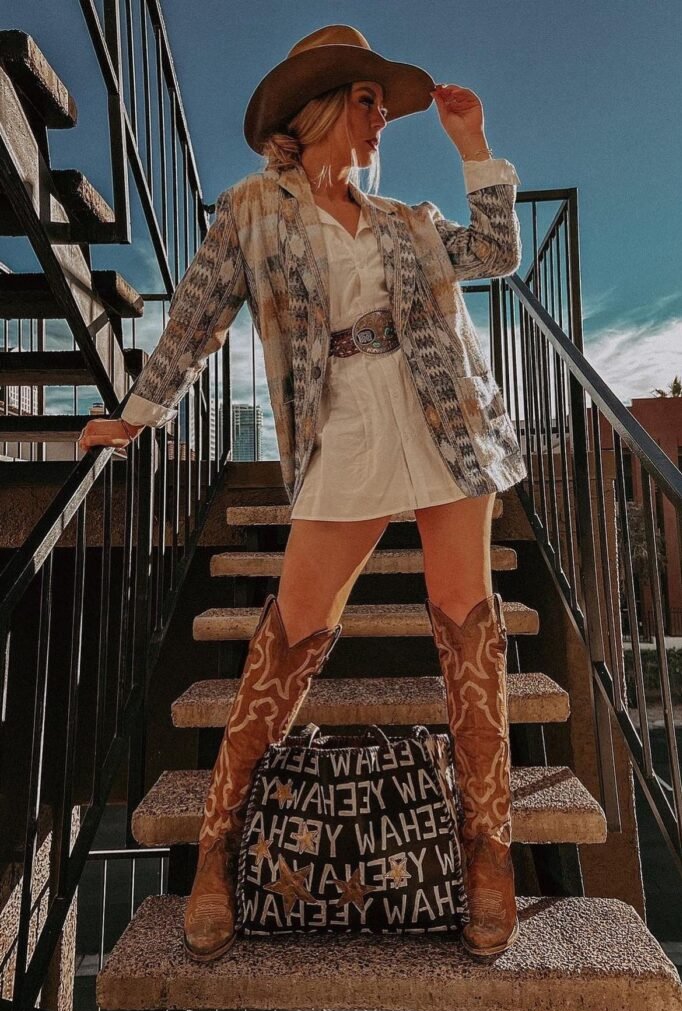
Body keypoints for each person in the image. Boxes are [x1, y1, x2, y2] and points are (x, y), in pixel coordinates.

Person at [78, 24, 527, 962]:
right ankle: (218, 845)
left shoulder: (406, 217)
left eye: (381, 104)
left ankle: (489, 848)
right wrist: (139, 414)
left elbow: (493, 252)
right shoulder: (252, 210)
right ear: (315, 112)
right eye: (365, 101)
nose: (380, 120)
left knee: (466, 615)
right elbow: (197, 315)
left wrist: (473, 147)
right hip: (342, 426)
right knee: (292, 626)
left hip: (447, 415)